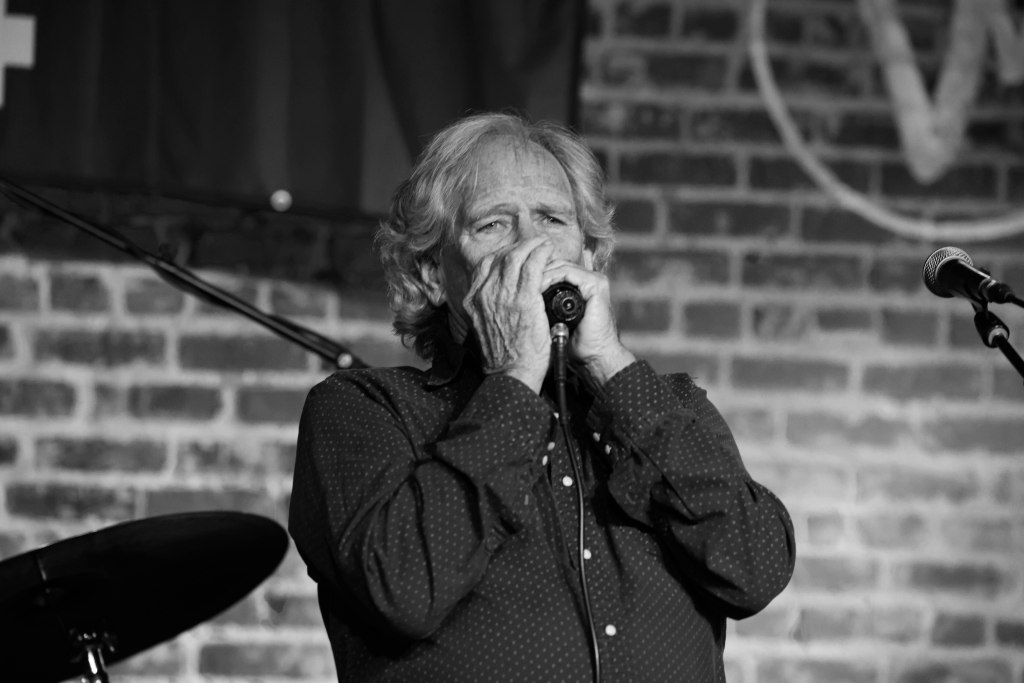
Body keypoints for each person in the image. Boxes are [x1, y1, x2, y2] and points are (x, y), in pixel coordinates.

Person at [289, 112, 796, 683]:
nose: (532, 244)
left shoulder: (663, 406)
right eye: (493, 224)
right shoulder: (363, 410)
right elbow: (401, 589)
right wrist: (514, 374)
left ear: (589, 256)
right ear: (433, 274)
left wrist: (609, 363)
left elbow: (756, 570)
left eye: (553, 219)